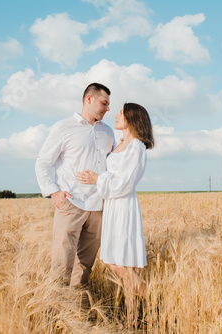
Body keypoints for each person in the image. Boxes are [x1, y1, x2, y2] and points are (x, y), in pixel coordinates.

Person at [76, 102, 154, 319]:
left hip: (123, 207)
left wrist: (97, 179)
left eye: (121, 112)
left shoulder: (136, 147)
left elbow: (126, 182)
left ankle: (154, 298)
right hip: (111, 205)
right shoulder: (119, 144)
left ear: (132, 118)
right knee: (122, 264)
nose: (116, 115)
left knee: (117, 264)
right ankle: (131, 317)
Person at [35, 82, 115, 289]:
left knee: (85, 264)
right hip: (72, 203)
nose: (108, 108)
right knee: (62, 262)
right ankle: (55, 312)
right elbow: (43, 162)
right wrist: (54, 192)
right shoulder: (63, 127)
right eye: (104, 103)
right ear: (89, 99)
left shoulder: (108, 132)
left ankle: (77, 309)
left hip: (98, 206)